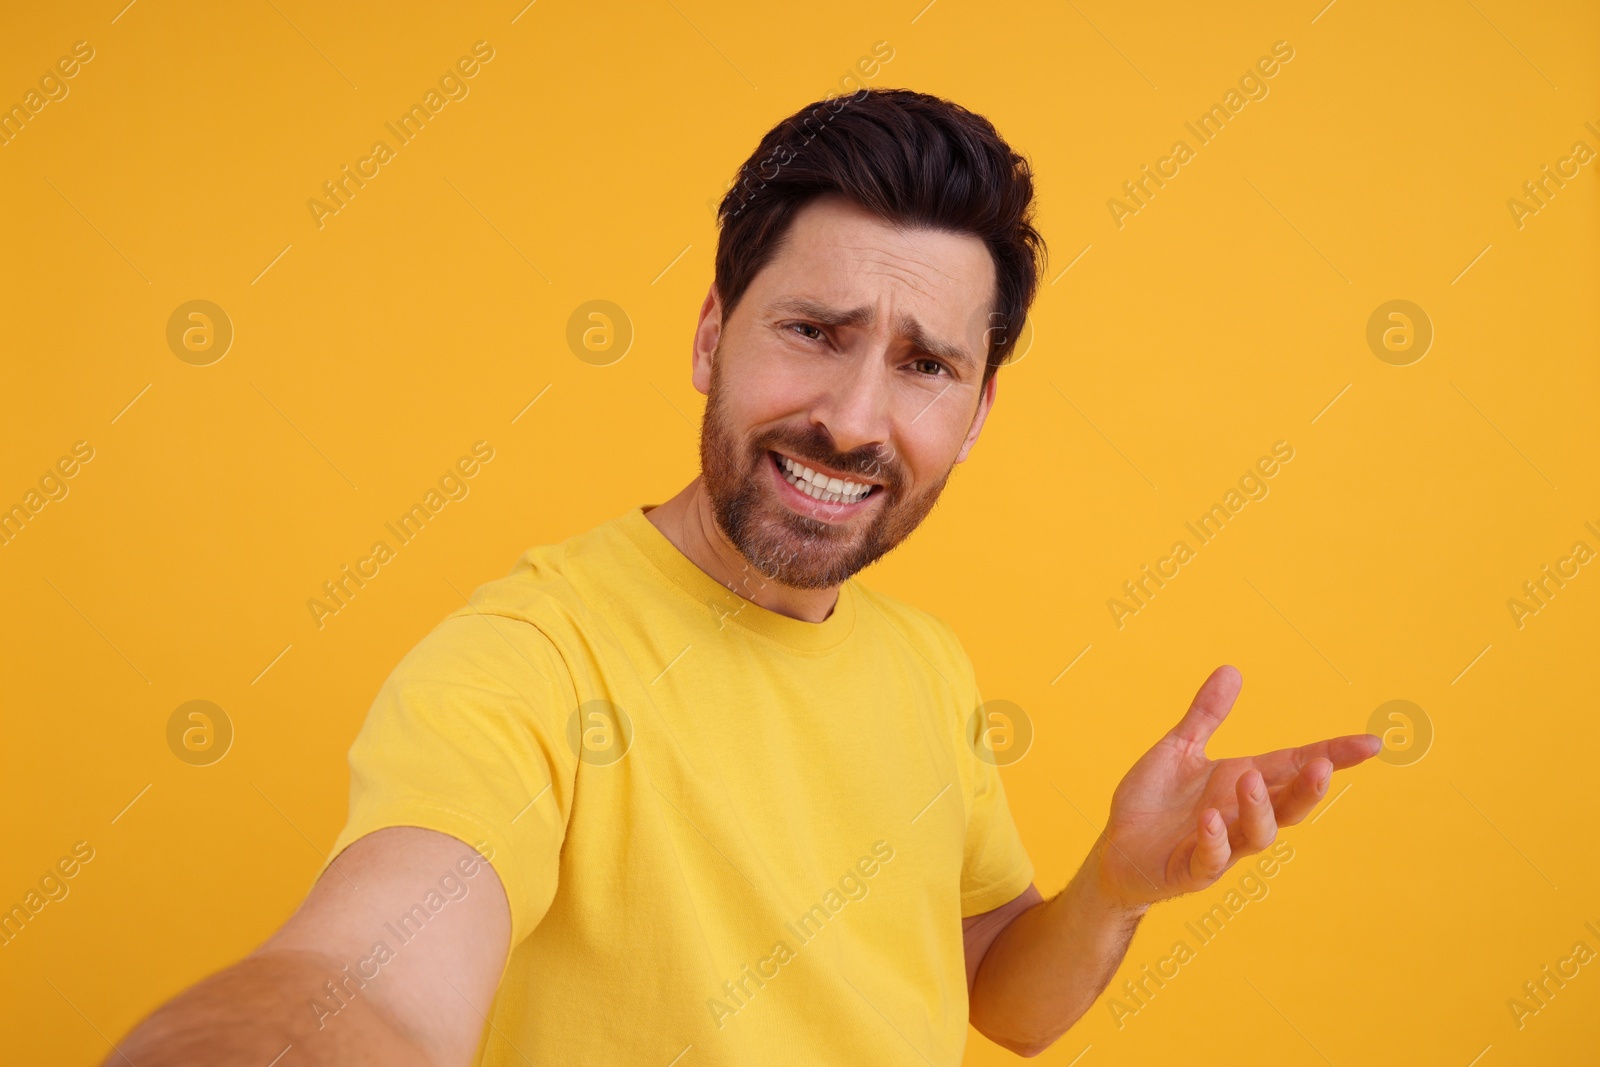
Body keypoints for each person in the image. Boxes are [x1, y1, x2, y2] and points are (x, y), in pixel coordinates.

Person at [111, 87, 1379, 1066]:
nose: (851, 416)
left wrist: (1109, 884)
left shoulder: (922, 665)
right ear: (713, 332)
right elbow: (370, 971)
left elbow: (1000, 992)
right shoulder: (528, 660)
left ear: (979, 408)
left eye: (924, 365)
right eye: (814, 331)